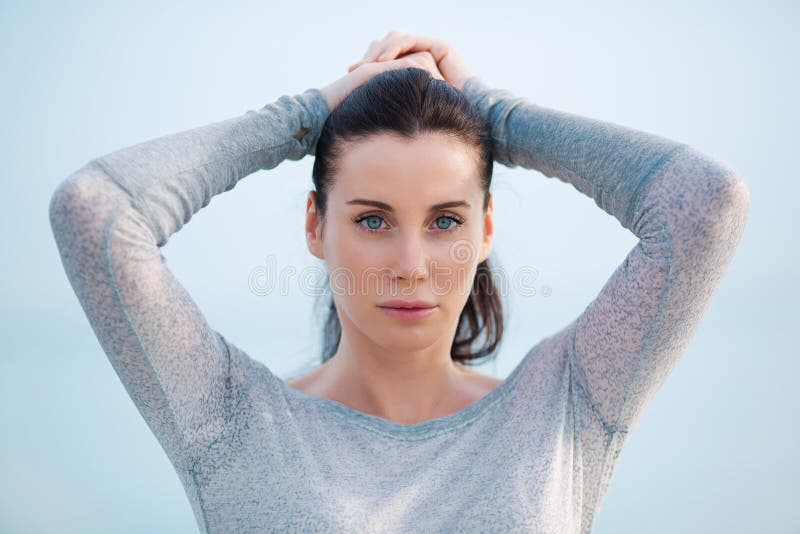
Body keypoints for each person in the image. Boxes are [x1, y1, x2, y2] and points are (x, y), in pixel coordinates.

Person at [48, 31, 750, 533]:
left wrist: (493, 114)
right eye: (374, 220)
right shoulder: (229, 422)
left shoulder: (565, 409)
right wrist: (304, 116)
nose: (412, 264)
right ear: (316, 226)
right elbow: (95, 211)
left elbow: (707, 202)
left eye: (446, 221)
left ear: (486, 229)